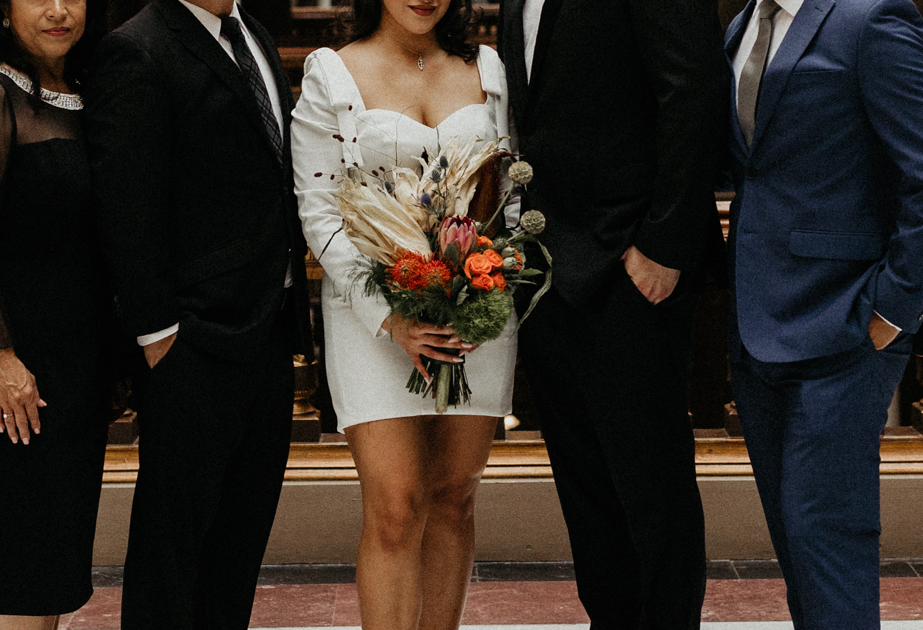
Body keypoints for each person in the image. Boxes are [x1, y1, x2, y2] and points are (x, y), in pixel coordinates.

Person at [497, 0, 729, 627]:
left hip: (634, 269)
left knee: (653, 497)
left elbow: (695, 90)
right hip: (549, 275)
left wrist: (664, 246)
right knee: (588, 497)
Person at [83, 0, 312, 625]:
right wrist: (158, 333)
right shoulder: (138, 47)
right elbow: (126, 202)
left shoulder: (253, 33)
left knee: (238, 545)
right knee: (173, 552)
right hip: (191, 340)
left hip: (267, 330)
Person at [291, 0, 517, 626]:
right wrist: (393, 319)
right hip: (372, 317)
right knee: (396, 507)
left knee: (454, 498)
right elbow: (320, 213)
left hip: (477, 311)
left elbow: (511, 197)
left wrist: (489, 284)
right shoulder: (332, 72)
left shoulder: (490, 69)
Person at [725, 0, 923, 627]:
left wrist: (893, 308)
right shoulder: (741, 24)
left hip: (845, 321)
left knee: (827, 538)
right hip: (757, 324)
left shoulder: (872, 18)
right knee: (796, 542)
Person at [0, 0, 116, 626]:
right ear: (3, 10)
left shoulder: (87, 93)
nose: (59, 10)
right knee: (16, 581)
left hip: (72, 377)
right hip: (13, 380)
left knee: (54, 578)